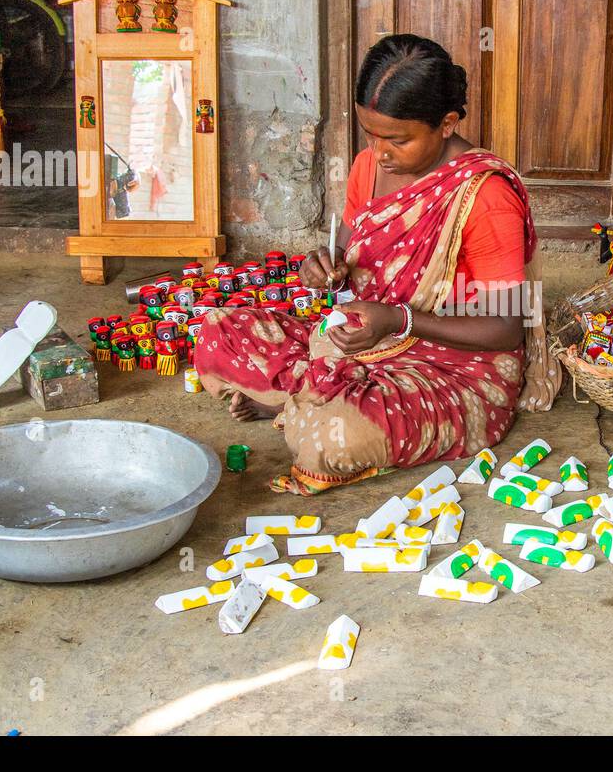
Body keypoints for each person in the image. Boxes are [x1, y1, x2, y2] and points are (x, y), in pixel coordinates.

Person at [194, 34, 561, 495]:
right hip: (354, 343)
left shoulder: (485, 196)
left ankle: (306, 400)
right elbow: (348, 257)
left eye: (398, 139)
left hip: (451, 370)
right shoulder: (369, 166)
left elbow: (507, 328)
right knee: (214, 334)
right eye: (371, 133)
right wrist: (322, 267)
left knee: (332, 439)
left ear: (446, 124)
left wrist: (399, 320)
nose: (381, 152)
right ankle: (313, 396)